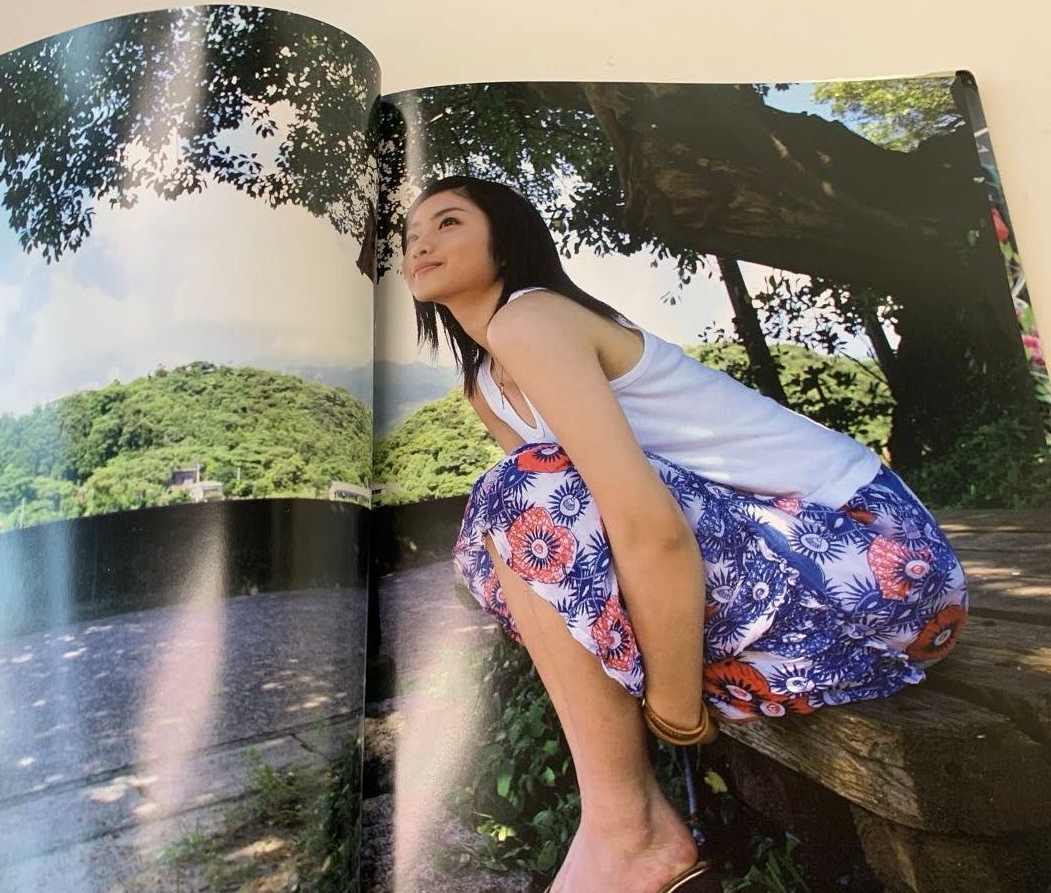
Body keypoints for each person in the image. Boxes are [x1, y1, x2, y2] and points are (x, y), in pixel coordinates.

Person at [401, 175, 969, 893]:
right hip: (790, 572)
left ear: (506, 239)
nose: (421, 243)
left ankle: (628, 830)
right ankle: (623, 826)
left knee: (522, 491)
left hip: (878, 559)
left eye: (447, 222)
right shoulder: (487, 383)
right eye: (411, 235)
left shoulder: (533, 319)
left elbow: (650, 529)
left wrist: (671, 707)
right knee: (505, 535)